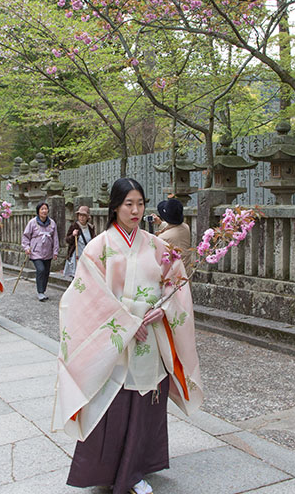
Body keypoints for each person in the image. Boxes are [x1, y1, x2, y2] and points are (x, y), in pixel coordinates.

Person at [53, 178, 203, 494]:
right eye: (128, 204)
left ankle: (135, 471)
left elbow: (176, 283)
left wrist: (164, 310)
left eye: (140, 203)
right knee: (113, 407)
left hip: (151, 338)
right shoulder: (99, 247)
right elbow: (84, 297)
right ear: (116, 207)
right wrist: (128, 323)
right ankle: (108, 470)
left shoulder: (157, 245)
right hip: (117, 342)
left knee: (144, 407)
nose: (135, 210)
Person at [22, 201, 59, 301]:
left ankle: (43, 290)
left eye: (46, 209)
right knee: (41, 270)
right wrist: (26, 247)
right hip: (35, 252)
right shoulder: (32, 222)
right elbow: (26, 236)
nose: (44, 211)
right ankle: (40, 292)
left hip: (48, 252)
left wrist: (55, 251)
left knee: (46, 272)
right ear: (38, 211)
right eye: (42, 209)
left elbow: (55, 238)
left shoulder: (52, 223)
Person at [153, 198, 192, 272]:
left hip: (173, 276)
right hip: (186, 272)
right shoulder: (186, 227)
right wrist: (160, 223)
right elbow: (174, 227)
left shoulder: (163, 238)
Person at [63, 205, 95, 279]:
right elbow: (67, 240)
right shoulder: (74, 226)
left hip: (87, 256)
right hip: (76, 255)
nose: (82, 217)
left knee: (86, 276)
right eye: (80, 215)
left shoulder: (90, 228)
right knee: (76, 276)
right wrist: (73, 235)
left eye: (84, 215)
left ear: (87, 217)